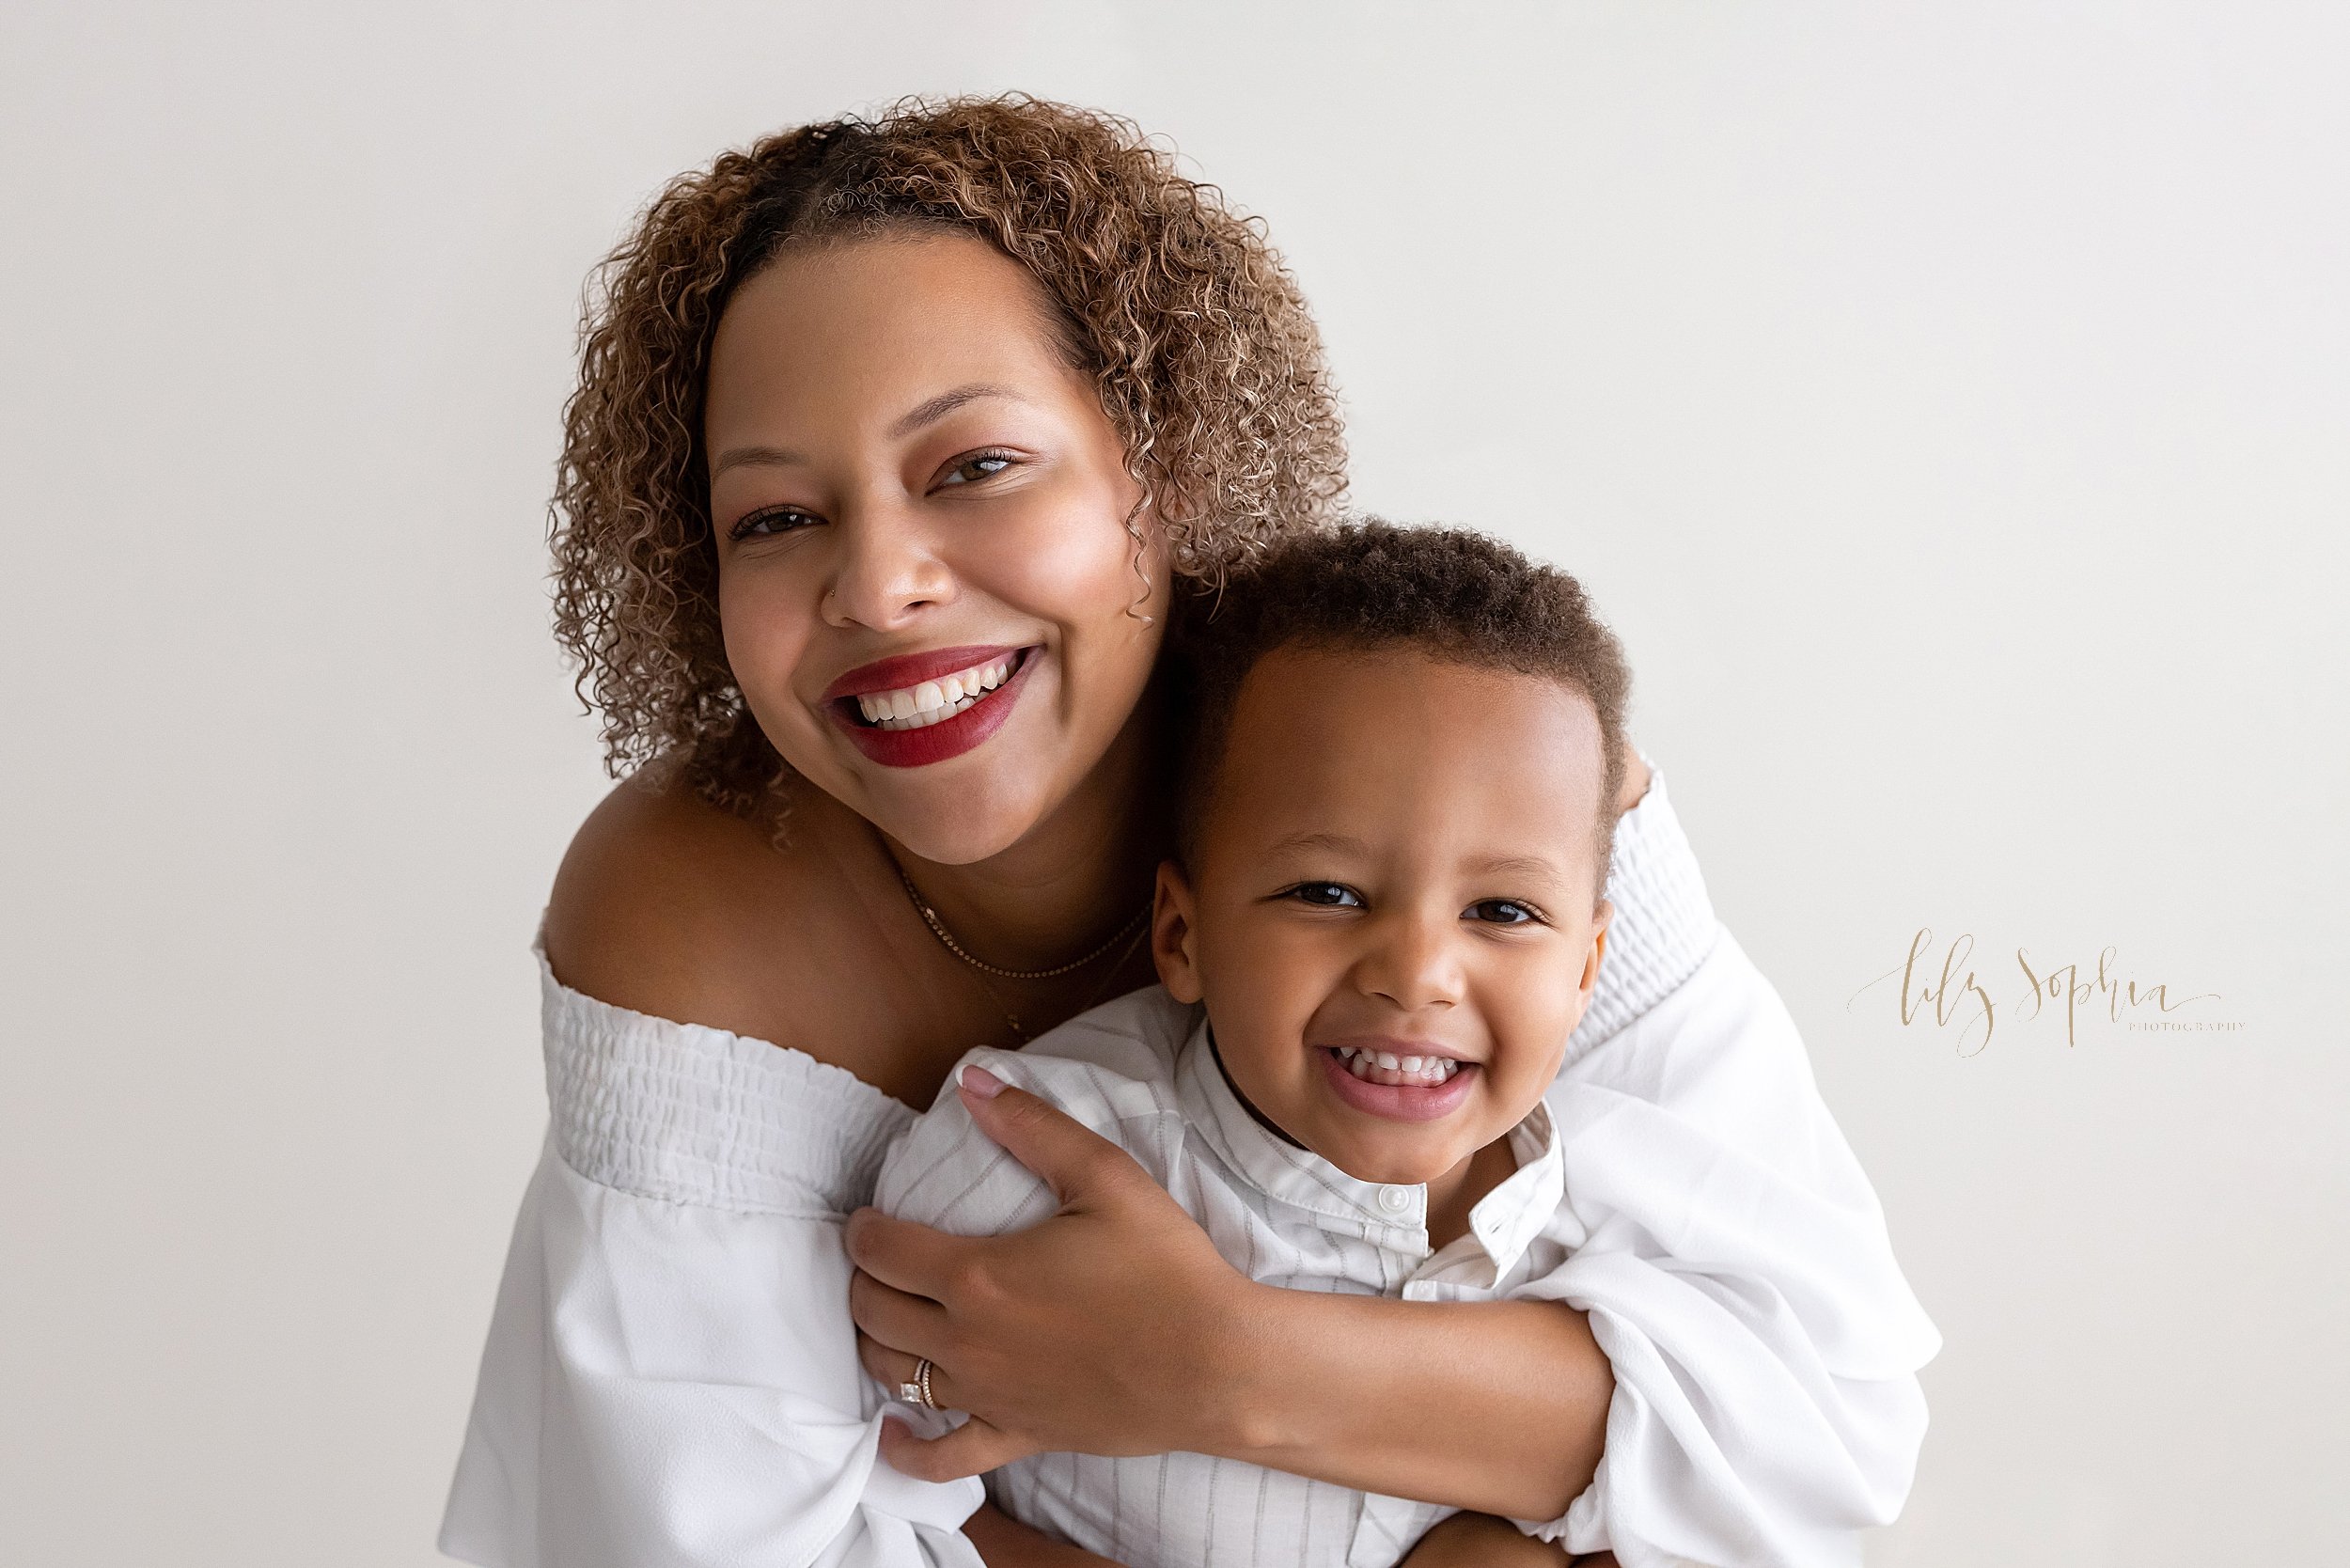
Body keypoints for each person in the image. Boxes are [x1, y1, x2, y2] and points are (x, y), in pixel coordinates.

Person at [438, 97, 1918, 1568]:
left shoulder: (1457, 759)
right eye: (774, 520)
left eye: (974, 468)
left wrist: (1221, 1369)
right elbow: (744, 1543)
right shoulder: (685, 912)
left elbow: (1820, 1407)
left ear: (1164, 463)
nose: (878, 585)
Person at [872, 525, 1938, 1568]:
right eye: (1326, 893)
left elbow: (1812, 1474)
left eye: (1505, 912)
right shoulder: (1017, 1165)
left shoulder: (1627, 1227)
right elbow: (859, 1510)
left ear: (1587, 971)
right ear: (1181, 935)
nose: (1418, 971)